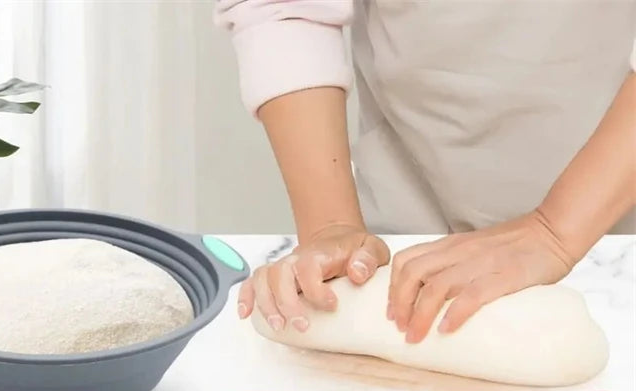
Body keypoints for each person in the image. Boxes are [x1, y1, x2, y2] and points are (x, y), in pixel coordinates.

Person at [215, 0, 636, 343]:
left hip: (619, 238)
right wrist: (331, 226)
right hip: (407, 234)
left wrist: (556, 230)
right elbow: (287, 10)